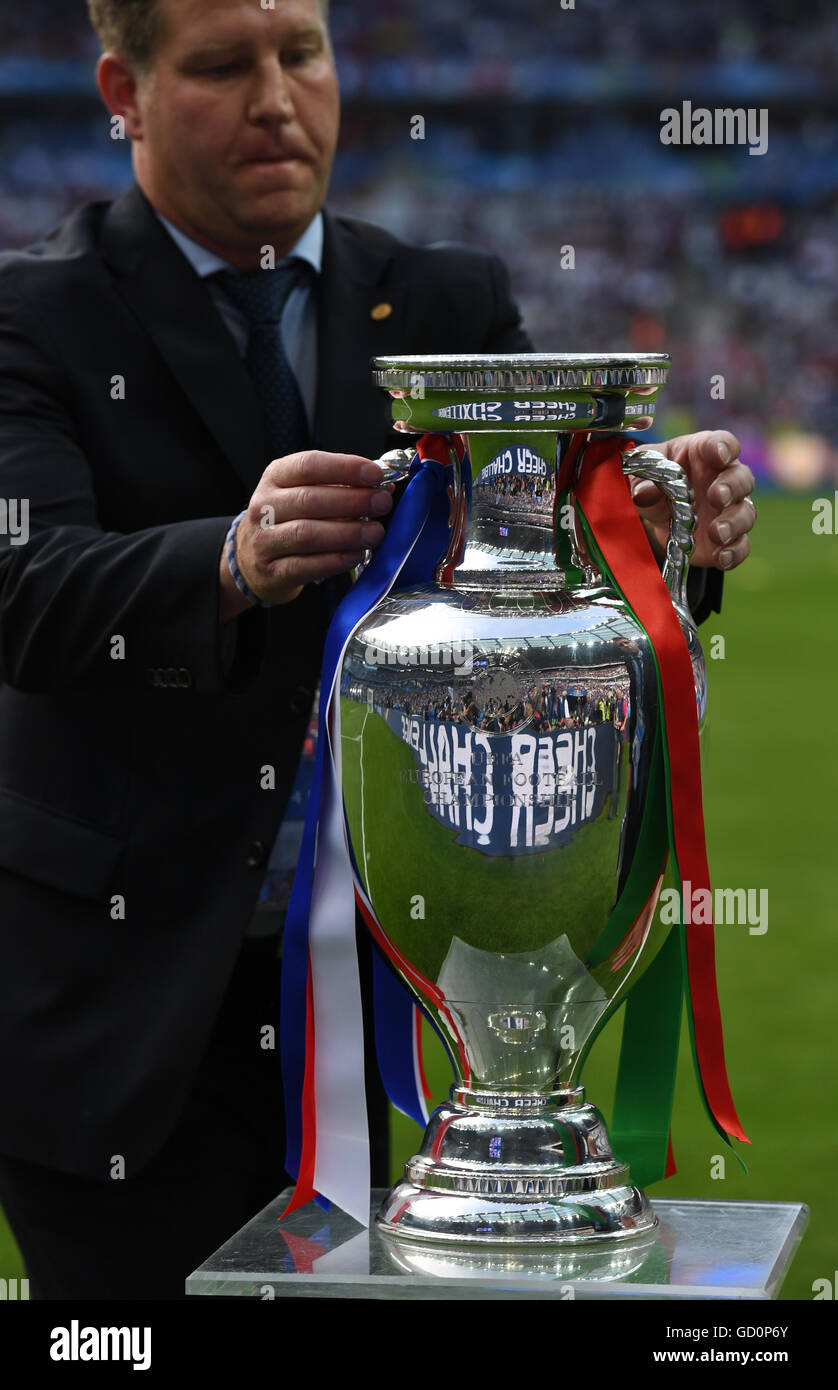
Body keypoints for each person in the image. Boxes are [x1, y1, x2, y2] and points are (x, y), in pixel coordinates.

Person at [0, 0, 755, 1299]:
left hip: (389, 987)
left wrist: (668, 519)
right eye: (224, 66)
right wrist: (228, 562)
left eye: (301, 54)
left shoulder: (446, 301)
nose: (277, 98)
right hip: (122, 1009)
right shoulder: (34, 312)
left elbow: (556, 564)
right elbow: (23, 584)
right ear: (123, 87)